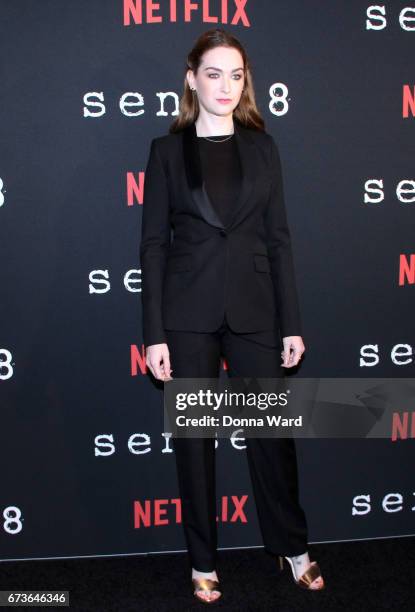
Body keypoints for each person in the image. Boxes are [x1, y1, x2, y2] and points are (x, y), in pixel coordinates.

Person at [140, 28, 325, 604]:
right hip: (187, 316)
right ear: (192, 78)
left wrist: (291, 322)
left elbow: (280, 241)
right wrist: (154, 334)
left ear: (246, 82)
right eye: (214, 73)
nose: (225, 85)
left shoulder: (263, 148)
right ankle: (202, 559)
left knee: (273, 438)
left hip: (256, 313)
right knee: (194, 443)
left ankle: (292, 548)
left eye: (236, 74)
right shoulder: (166, 152)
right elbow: (152, 247)